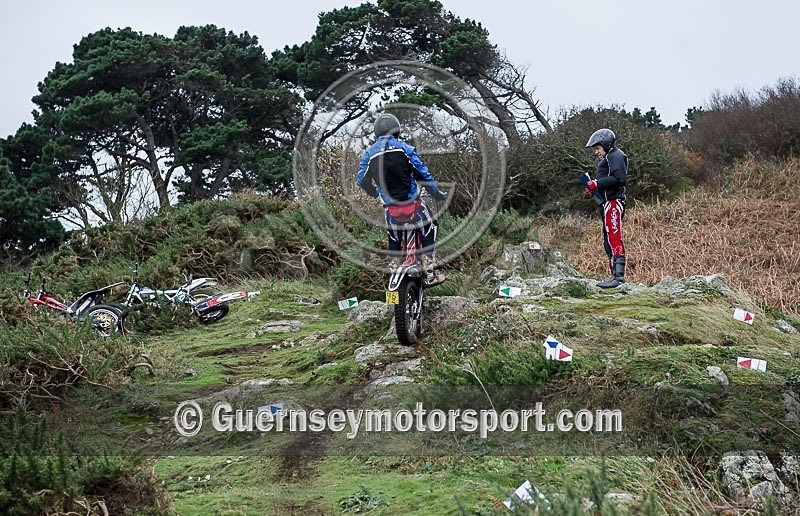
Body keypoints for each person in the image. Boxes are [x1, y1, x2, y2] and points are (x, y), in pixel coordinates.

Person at [356, 113, 447, 286]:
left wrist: (373, 192)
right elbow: (423, 175)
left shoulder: (369, 154)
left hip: (391, 211)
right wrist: (436, 193)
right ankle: (429, 273)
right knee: (431, 226)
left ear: (377, 132)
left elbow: (361, 181)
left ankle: (393, 270)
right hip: (414, 206)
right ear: (396, 130)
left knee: (393, 239)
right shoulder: (405, 148)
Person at [583, 128, 628, 288]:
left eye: (597, 148)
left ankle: (619, 278)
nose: (596, 152)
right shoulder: (609, 157)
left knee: (614, 237)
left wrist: (597, 183)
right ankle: (614, 275)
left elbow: (620, 178)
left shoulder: (616, 155)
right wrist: (594, 188)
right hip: (607, 202)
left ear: (606, 145)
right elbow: (609, 181)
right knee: (608, 239)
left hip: (614, 202)